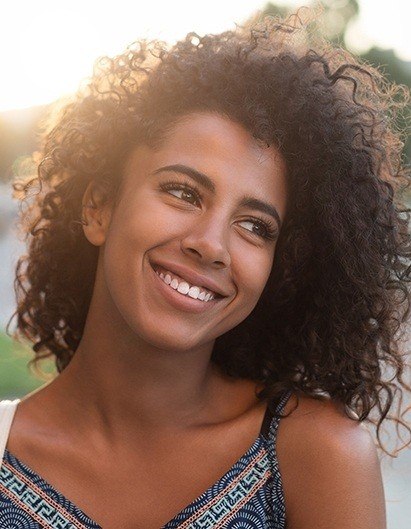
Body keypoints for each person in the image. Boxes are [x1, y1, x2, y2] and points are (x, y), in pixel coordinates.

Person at [0, 8, 410, 529]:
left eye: (255, 226)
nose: (212, 245)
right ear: (99, 207)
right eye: (182, 192)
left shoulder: (313, 455)